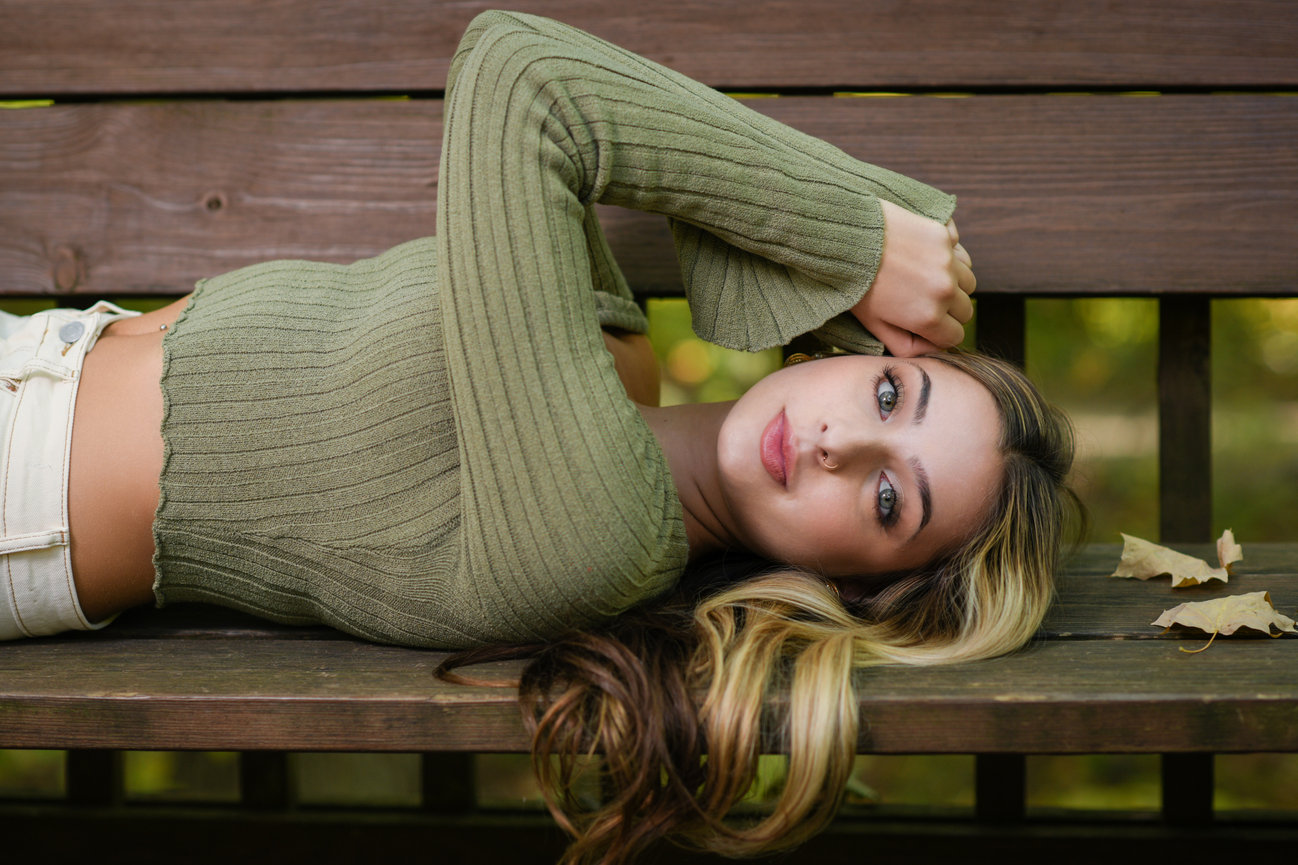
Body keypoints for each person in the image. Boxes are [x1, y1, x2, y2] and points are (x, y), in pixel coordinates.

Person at [0, 10, 1080, 863]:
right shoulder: (615, 351)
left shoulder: (600, 532)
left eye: (888, 501)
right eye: (889, 392)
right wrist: (877, 261)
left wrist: (855, 236)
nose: (842, 446)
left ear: (853, 584)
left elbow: (519, 73)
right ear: (854, 348)